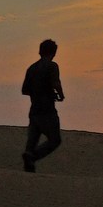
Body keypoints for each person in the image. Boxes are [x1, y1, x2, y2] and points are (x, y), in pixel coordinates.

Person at [21, 39, 64, 172]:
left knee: (32, 142)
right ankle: (33, 157)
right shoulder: (52, 66)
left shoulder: (32, 68)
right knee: (55, 140)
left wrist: (37, 92)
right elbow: (56, 83)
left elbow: (25, 90)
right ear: (54, 52)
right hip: (47, 110)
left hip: (34, 110)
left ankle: (29, 166)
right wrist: (60, 95)